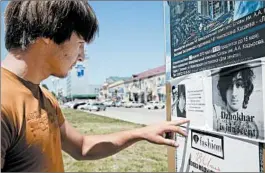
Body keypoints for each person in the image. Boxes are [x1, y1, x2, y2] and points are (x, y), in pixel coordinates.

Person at [1, 1, 189, 172]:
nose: (81, 56)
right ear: (47, 34)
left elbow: (82, 147)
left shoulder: (45, 97)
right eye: (80, 44)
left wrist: (141, 133)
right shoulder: (4, 100)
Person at [213, 64, 258, 139]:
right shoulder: (215, 115)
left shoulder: (251, 126)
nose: (234, 93)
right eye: (230, 86)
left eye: (239, 85)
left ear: (245, 90)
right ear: (224, 90)